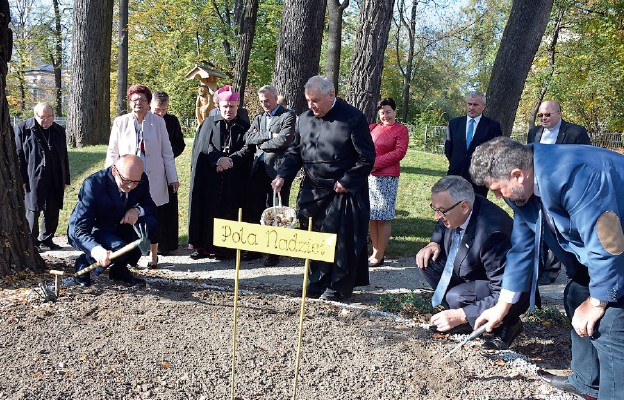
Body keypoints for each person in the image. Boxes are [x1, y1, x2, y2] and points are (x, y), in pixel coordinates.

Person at [470, 137, 624, 400]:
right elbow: (522, 247)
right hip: (602, 253)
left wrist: (598, 303)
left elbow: (610, 242)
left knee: (610, 323)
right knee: (576, 295)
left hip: (614, 247)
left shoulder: (578, 175)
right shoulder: (524, 188)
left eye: (497, 189)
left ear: (517, 175)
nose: (497, 196)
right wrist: (502, 306)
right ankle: (587, 383)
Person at [272, 75, 375, 302]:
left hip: (342, 191)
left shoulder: (353, 118)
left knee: (338, 242)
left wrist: (347, 181)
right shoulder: (305, 118)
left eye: (315, 100)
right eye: (308, 100)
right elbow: (295, 152)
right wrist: (282, 175)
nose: (311, 105)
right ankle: (316, 282)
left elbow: (367, 157)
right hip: (312, 190)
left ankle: (336, 287)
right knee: (313, 238)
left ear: (331, 95)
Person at [416, 176, 528, 349]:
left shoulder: (492, 233)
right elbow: (440, 224)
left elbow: (504, 291)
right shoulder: (460, 206)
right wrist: (434, 242)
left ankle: (508, 323)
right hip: (471, 270)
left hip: (505, 289)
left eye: (442, 211)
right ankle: (466, 319)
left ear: (464, 207)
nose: (436, 216)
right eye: (435, 209)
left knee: (456, 297)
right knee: (427, 261)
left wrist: (462, 313)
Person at [105, 84, 179, 268]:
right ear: (130, 102)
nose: (139, 103)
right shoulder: (120, 122)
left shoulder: (158, 122)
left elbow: (167, 153)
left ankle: (154, 256)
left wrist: (172, 177)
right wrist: (108, 176)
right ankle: (130, 257)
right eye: (135, 100)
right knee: (128, 217)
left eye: (143, 100)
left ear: (148, 103)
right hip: (127, 178)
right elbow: (112, 151)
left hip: (153, 178)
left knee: (153, 216)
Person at [68, 155, 158, 286]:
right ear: (115, 171)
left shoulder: (140, 178)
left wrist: (137, 210)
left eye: (135, 182)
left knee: (150, 224)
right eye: (126, 180)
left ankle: (119, 270)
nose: (130, 186)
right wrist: (96, 250)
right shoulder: (93, 185)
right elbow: (80, 229)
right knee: (118, 248)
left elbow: (151, 207)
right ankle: (84, 261)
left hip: (119, 225)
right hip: (94, 229)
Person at [527, 100, 591, 285]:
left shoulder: (575, 132)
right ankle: (538, 268)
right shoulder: (534, 132)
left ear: (559, 113)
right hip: (538, 187)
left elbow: (585, 159)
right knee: (539, 228)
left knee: (559, 229)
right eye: (540, 115)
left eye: (548, 115)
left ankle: (563, 268)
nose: (544, 118)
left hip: (564, 190)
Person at [188, 85, 252, 259]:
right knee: (208, 209)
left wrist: (231, 161)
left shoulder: (244, 124)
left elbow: (248, 148)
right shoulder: (208, 123)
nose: (228, 110)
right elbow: (203, 146)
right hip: (210, 174)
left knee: (229, 210)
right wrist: (218, 160)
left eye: (232, 107)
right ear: (218, 106)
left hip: (234, 175)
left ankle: (226, 249)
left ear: (237, 106)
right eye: (225, 107)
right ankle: (204, 246)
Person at [241, 84, 296, 266]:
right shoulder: (259, 118)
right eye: (261, 101)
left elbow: (284, 140)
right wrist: (270, 135)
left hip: (277, 170)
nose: (264, 104)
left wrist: (262, 142)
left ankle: (274, 253)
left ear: (275, 98)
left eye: (267, 100)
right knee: (255, 208)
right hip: (258, 168)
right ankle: (257, 249)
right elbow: (248, 138)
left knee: (276, 211)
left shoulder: (288, 115)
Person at [14, 102, 70, 252]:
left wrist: (66, 178)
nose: (47, 120)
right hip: (33, 176)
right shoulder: (22, 128)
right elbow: (18, 156)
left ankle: (47, 240)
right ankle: (31, 242)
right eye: (43, 117)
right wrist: (22, 179)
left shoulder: (59, 130)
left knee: (53, 208)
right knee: (33, 209)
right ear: (35, 115)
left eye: (50, 116)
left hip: (55, 175)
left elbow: (64, 156)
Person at [367, 98, 409, 267]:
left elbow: (399, 152)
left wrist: (374, 164)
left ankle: (380, 253)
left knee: (383, 217)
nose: (385, 115)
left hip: (387, 177)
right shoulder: (373, 128)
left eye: (388, 112)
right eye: (382, 112)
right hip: (370, 178)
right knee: (372, 216)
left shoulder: (401, 130)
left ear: (395, 111)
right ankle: (375, 251)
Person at [445, 91, 502, 197]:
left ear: (483, 106)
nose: (471, 107)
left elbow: (496, 153)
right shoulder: (454, 124)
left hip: (478, 178)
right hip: (455, 174)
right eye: (469, 104)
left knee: (475, 209)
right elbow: (448, 150)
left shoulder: (492, 126)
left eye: (475, 104)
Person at [150, 91, 186, 255]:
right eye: (158, 110)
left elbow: (180, 143)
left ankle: (166, 244)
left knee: (167, 208)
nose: (160, 113)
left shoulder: (172, 121)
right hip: (147, 170)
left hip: (166, 169)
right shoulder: (144, 120)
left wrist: (168, 155)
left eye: (164, 110)